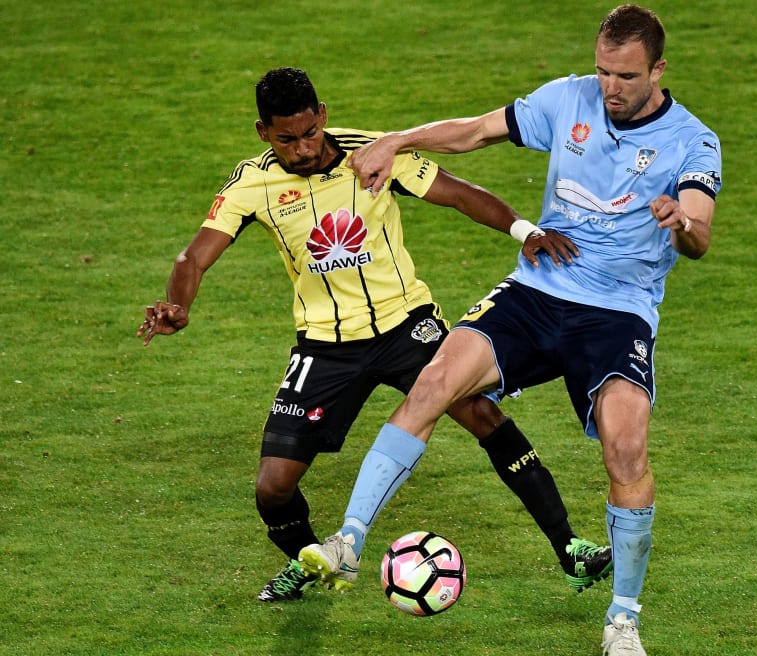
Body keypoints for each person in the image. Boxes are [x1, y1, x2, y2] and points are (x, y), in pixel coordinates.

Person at [303, 5, 722, 654]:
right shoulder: (568, 99)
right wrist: (394, 140)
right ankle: (348, 542)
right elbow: (474, 132)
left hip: (617, 314)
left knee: (626, 448)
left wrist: (681, 224)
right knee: (435, 381)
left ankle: (622, 619)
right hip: (539, 290)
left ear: (659, 70)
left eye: (627, 76)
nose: (611, 86)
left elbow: (699, 232)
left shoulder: (693, 141)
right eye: (604, 70)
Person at [136, 67, 612, 604]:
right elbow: (193, 257)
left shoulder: (377, 154)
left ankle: (570, 547)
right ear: (263, 133)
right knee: (272, 488)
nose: (303, 149)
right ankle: (311, 563)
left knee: (485, 417)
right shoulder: (253, 183)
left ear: (323, 118)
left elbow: (459, 195)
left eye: (310, 132)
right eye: (286, 139)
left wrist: (525, 230)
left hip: (408, 325)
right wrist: (178, 303)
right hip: (325, 345)